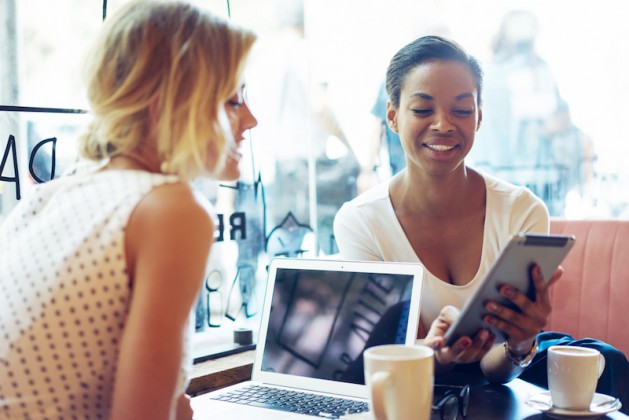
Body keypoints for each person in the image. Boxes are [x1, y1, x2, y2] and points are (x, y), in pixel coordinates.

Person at [334, 35, 628, 410]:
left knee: (608, 362)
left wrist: (521, 343)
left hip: (506, 373)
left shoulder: (522, 210)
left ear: (479, 116)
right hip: (417, 378)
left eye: (461, 109)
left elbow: (496, 369)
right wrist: (440, 354)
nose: (443, 124)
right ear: (392, 116)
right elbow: (385, 361)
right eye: (423, 110)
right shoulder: (361, 221)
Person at [0, 1, 257, 419]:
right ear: (168, 102)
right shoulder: (171, 209)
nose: (251, 119)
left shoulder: (54, 195)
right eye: (232, 100)